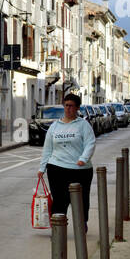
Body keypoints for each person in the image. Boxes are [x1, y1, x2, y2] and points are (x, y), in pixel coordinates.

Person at [38, 93, 96, 233]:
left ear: (77, 108)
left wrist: (83, 158)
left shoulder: (83, 125)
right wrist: (42, 168)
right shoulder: (54, 126)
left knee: (81, 200)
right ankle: (58, 230)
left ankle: (82, 223)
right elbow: (48, 149)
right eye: (66, 105)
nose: (68, 108)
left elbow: (90, 143)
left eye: (71, 106)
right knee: (59, 200)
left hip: (80, 169)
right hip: (57, 168)